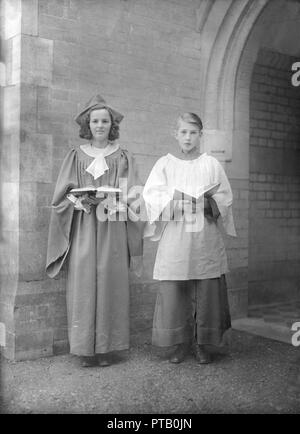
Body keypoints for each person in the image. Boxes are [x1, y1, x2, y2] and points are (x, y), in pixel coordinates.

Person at [46, 94, 144, 367]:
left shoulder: (123, 156)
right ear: (87, 125)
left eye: (105, 120)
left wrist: (119, 200)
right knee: (84, 282)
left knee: (111, 282)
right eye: (95, 121)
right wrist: (80, 201)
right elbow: (61, 198)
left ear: (111, 125)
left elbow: (134, 193)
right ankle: (84, 349)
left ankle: (107, 349)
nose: (100, 125)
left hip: (112, 226)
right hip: (85, 227)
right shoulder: (75, 155)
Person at [143, 112, 236, 364]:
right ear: (176, 134)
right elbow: (151, 196)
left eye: (193, 132)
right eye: (183, 132)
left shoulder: (211, 164)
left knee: (206, 291)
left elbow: (225, 197)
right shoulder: (165, 164)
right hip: (176, 234)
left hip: (204, 235)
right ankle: (179, 344)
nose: (187, 137)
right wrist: (172, 200)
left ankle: (203, 344)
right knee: (176, 290)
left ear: (200, 136)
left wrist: (208, 202)